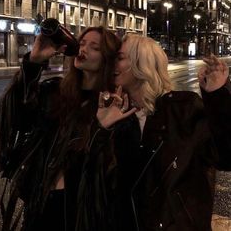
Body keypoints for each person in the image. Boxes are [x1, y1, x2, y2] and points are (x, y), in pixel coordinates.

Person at [96, 34, 231, 231]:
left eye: (120, 57)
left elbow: (225, 156)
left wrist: (218, 96)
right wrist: (100, 128)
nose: (113, 64)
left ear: (142, 62)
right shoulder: (119, 117)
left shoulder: (183, 108)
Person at [0, 23, 121, 231]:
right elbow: (16, 119)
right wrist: (34, 63)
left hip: (82, 211)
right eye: (81, 44)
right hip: (42, 200)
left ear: (107, 58)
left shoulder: (111, 106)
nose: (83, 50)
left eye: (94, 47)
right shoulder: (55, 92)